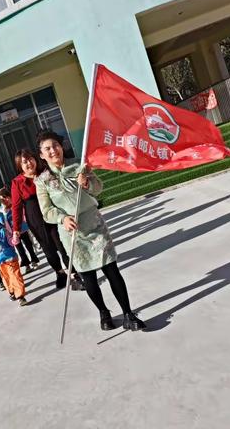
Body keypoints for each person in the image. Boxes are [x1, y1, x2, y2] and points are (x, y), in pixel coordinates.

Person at [34, 130, 146, 331]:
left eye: (55, 145)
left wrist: (86, 182)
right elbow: (46, 211)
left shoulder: (79, 165)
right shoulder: (42, 180)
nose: (53, 151)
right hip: (73, 233)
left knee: (111, 269)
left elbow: (98, 187)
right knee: (88, 276)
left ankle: (129, 314)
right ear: (41, 154)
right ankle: (104, 313)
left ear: (62, 146)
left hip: (94, 224)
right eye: (47, 149)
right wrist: (62, 218)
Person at [11, 149, 84, 290]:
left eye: (30, 159)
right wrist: (16, 229)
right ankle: (60, 273)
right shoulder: (17, 182)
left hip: (53, 214)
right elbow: (16, 208)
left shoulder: (45, 172)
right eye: (24, 162)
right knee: (48, 249)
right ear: (20, 166)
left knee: (62, 245)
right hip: (36, 220)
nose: (28, 164)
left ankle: (75, 275)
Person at [0, 187, 39, 274]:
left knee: (28, 245)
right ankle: (26, 264)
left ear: (9, 196)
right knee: (20, 249)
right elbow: (2, 220)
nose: (4, 200)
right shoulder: (2, 209)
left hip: (22, 229)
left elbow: (21, 212)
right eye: (1, 198)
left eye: (5, 197)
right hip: (13, 233)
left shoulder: (15, 203)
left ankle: (33, 260)